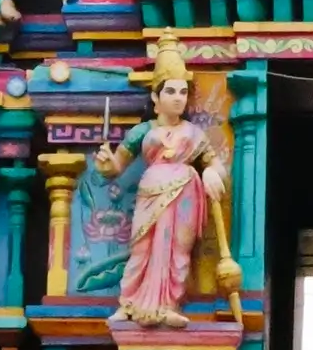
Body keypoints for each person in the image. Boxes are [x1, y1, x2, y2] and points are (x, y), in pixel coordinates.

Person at [94, 32, 230, 329]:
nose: (178, 98)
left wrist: (210, 172)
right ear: (156, 97)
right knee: (142, 249)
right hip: (151, 193)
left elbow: (215, 164)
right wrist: (106, 163)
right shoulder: (143, 131)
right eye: (171, 92)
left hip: (185, 194)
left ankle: (169, 304)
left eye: (183, 92)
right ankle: (128, 304)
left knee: (178, 252)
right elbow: (117, 165)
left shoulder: (195, 134)